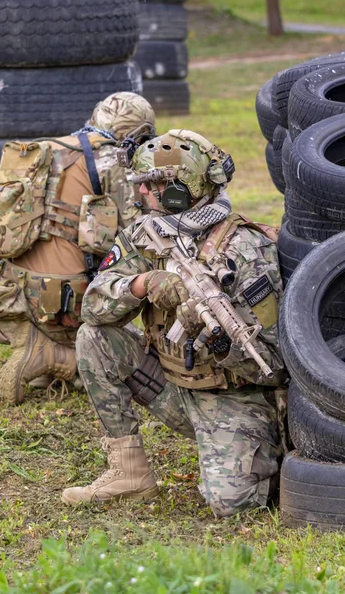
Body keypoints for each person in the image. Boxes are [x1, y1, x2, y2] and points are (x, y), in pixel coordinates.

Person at [62, 129, 288, 517]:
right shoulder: (149, 232)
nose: (143, 195)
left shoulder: (248, 252)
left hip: (234, 398)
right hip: (173, 385)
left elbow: (274, 368)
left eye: (153, 185)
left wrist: (217, 341)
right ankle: (129, 472)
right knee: (95, 337)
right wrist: (142, 284)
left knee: (234, 505)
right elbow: (94, 306)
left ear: (183, 188)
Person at [0, 92, 156, 405]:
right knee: (132, 349)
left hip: (7, 290)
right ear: (138, 134)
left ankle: (38, 344)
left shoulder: (45, 148)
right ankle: (61, 358)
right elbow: (137, 233)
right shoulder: (112, 160)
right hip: (67, 301)